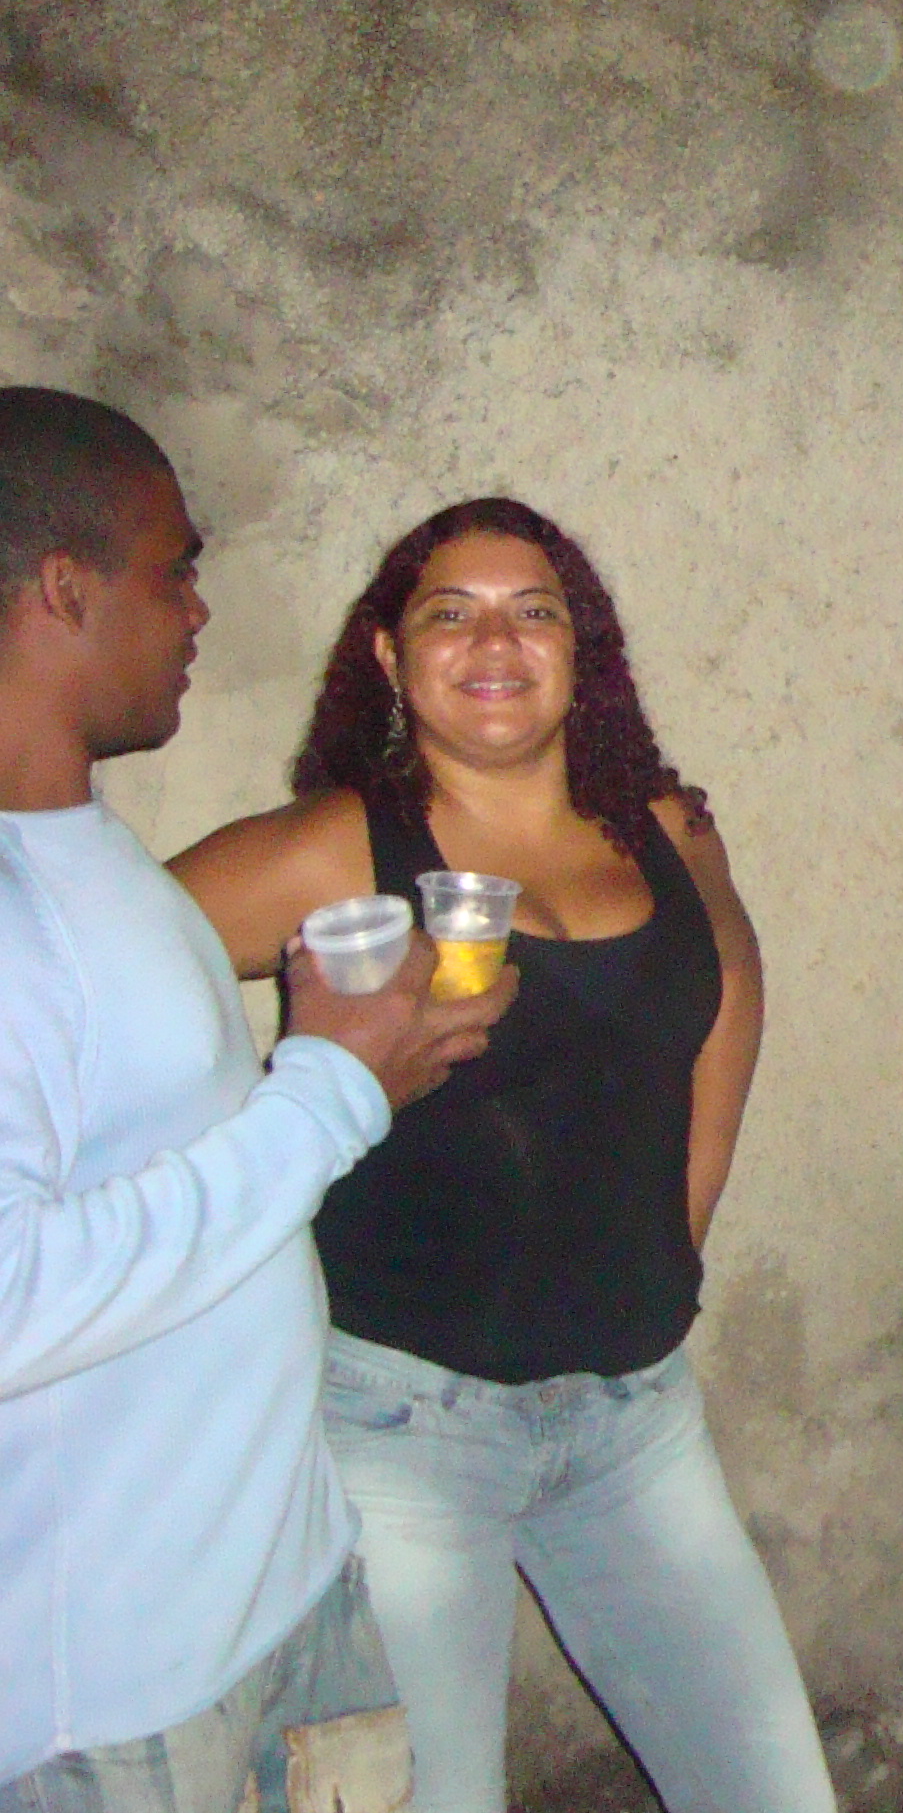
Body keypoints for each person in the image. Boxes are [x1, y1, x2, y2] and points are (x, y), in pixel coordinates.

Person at [169, 498, 831, 1813]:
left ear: (582, 651)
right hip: (398, 1423)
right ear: (389, 656)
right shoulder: (337, 845)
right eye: (450, 613)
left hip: (635, 1416)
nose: (494, 642)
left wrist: (678, 1237)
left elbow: (728, 995)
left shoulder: (665, 826)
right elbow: (82, 973)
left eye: (534, 611)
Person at [0, 390, 510, 1813]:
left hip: (285, 1601)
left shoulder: (91, 850)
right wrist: (334, 1086)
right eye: (176, 571)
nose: (198, 612)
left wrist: (370, 1052)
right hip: (112, 1701)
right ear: (64, 589)